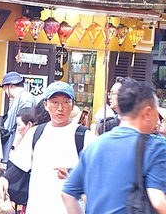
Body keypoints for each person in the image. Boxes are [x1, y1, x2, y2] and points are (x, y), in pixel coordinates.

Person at [62, 79, 166, 213]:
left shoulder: (95, 146)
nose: (158, 119)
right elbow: (158, 201)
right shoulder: (154, 148)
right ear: (147, 113)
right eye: (156, 112)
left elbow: (68, 193)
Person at [0, 81, 95, 214]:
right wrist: (5, 178)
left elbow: (95, 174)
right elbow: (19, 166)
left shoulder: (84, 136)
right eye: (54, 102)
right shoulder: (35, 133)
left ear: (72, 106)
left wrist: (71, 173)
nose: (60, 108)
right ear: (46, 105)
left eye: (66, 102)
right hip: (38, 206)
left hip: (70, 209)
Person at [0, 72, 36, 162]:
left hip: (16, 149)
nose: (5, 92)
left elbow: (23, 125)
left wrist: (14, 147)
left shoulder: (25, 98)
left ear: (10, 86)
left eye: (4, 88)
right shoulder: (20, 98)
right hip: (11, 146)